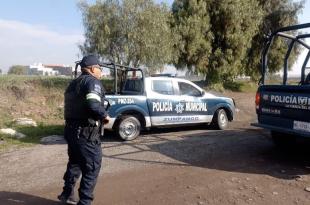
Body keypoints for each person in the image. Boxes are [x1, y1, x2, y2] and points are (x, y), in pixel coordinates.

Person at [58, 54, 109, 205]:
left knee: (74, 163)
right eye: (100, 68)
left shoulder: (73, 83)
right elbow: (93, 105)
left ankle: (66, 194)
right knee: (92, 166)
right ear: (93, 68)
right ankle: (85, 202)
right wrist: (104, 115)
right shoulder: (93, 82)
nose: (101, 72)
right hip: (86, 134)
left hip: (71, 131)